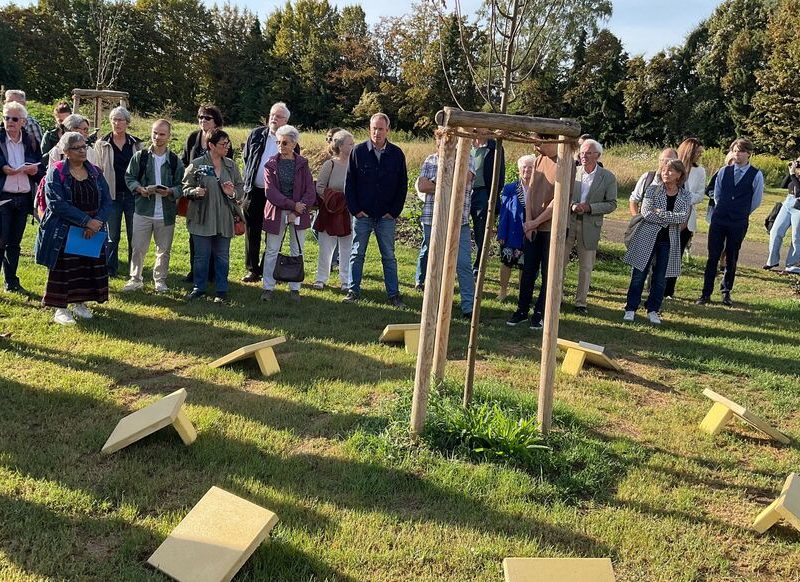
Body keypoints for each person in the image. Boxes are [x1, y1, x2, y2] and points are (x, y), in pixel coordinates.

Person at [34, 132, 111, 324]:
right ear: (66, 151)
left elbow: (107, 201)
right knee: (64, 269)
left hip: (92, 230)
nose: (83, 150)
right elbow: (56, 203)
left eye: (84, 146)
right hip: (64, 230)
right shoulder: (57, 171)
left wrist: (96, 223)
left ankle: (80, 303)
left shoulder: (95, 172)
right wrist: (86, 221)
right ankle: (61, 308)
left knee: (85, 267)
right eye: (77, 148)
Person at [344, 113, 408, 307]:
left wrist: (394, 211)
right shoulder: (358, 151)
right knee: (357, 253)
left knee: (388, 256)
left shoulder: (396, 154)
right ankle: (353, 291)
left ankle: (394, 295)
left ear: (388, 130)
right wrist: (355, 210)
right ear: (369, 129)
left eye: (380, 129)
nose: (377, 132)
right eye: (373, 128)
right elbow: (350, 184)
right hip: (363, 214)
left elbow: (402, 186)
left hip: (386, 216)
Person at [697, 138, 764, 306]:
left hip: (738, 220)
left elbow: (756, 199)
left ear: (749, 154)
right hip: (720, 218)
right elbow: (717, 194)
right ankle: (706, 293)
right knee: (713, 256)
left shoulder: (756, 174)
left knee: (732, 256)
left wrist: (742, 212)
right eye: (734, 151)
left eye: (741, 151)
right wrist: (723, 208)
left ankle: (726, 291)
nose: (737, 154)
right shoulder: (724, 171)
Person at [414, 136, 476, 318]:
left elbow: (462, 180)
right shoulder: (430, 159)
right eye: (443, 141)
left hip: (458, 221)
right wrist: (447, 182)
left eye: (451, 141)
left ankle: (468, 307)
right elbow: (422, 185)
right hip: (432, 219)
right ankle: (436, 304)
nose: (446, 144)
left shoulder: (467, 159)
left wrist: (436, 183)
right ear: (438, 142)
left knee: (463, 264)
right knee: (436, 263)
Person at [623, 159, 691, 324]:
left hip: (668, 240)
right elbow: (646, 213)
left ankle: (653, 309)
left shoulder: (685, 194)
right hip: (647, 237)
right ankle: (631, 308)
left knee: (661, 277)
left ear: (679, 175)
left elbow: (683, 217)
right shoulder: (653, 190)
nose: (665, 173)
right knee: (639, 274)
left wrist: (661, 213)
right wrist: (669, 218)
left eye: (670, 171)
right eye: (664, 170)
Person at [122, 120, 185, 293]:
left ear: (169, 136)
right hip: (143, 209)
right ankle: (135, 279)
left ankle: (160, 281)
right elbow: (129, 177)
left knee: (163, 250)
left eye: (162, 134)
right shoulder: (140, 156)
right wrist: (139, 188)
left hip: (165, 212)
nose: (157, 137)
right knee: (138, 248)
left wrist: (170, 191)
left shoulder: (174, 161)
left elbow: (182, 186)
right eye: (155, 133)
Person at [183, 129, 244, 303]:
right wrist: (195, 191)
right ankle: (199, 288)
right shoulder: (197, 164)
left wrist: (232, 193)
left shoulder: (231, 165)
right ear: (211, 145)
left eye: (228, 143)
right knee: (201, 256)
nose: (227, 147)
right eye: (223, 144)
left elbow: (240, 189)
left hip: (224, 217)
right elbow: (185, 188)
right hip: (202, 216)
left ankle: (222, 289)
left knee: (222, 255)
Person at [506, 134, 559, 330]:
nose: (536, 148)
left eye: (539, 143)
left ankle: (540, 312)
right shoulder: (538, 160)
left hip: (551, 229)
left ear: (552, 140)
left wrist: (537, 221)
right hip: (533, 227)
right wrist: (529, 222)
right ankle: (522, 309)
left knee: (548, 273)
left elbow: (558, 202)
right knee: (528, 270)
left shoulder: (565, 163)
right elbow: (530, 193)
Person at [241, 102, 295, 283]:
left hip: (277, 195)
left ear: (286, 121)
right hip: (254, 191)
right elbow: (247, 157)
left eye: (278, 116)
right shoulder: (257, 134)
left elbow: (293, 167)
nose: (273, 118)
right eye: (272, 114)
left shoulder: (291, 140)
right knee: (252, 230)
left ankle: (268, 268)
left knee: (273, 233)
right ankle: (252, 270)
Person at [260, 125, 315, 302]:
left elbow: (310, 191)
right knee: (271, 250)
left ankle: (295, 288)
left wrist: (297, 210)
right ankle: (268, 287)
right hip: (277, 212)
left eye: (284, 142)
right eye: (278, 142)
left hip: (298, 212)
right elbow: (271, 192)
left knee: (297, 249)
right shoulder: (270, 164)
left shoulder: (303, 163)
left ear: (293, 144)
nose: (281, 146)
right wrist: (293, 206)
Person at [563, 138, 618, 315]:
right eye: (581, 152)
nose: (583, 156)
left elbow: (612, 204)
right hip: (569, 222)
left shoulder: (607, 177)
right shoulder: (573, 171)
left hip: (590, 225)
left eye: (588, 153)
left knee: (586, 266)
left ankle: (581, 303)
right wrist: (572, 205)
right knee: (560, 262)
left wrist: (590, 208)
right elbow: (563, 193)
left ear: (598, 155)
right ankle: (556, 297)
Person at [0, 101, 44, 294]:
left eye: (14, 118)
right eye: (6, 117)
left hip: (23, 198)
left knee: (14, 244)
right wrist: (2, 168)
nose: (9, 122)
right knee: (0, 242)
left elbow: (41, 168)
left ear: (23, 121)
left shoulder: (31, 140)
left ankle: (12, 282)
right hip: (3, 198)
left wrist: (34, 170)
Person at [94, 106, 143, 277]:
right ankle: (110, 268)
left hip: (132, 196)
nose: (117, 123)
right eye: (114, 119)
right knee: (112, 236)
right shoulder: (101, 144)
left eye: (120, 119)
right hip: (111, 196)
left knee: (134, 235)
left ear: (127, 122)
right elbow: (97, 170)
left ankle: (134, 269)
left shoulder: (136, 144)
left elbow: (142, 170)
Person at [312, 129, 354, 291]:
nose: (353, 146)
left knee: (346, 247)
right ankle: (321, 279)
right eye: (350, 144)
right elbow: (320, 187)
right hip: (329, 211)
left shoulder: (354, 165)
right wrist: (333, 199)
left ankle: (345, 281)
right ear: (341, 146)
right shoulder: (329, 164)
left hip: (348, 212)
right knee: (326, 246)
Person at [664, 137, 706, 298]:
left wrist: (683, 196)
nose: (699, 156)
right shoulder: (671, 166)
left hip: (686, 219)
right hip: (666, 214)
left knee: (676, 255)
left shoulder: (700, 171)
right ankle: (654, 286)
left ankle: (669, 290)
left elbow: (700, 195)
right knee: (661, 253)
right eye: (698, 153)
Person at [496, 155, 534, 302]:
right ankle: (503, 291)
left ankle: (522, 294)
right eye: (524, 166)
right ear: (519, 169)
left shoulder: (538, 188)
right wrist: (501, 233)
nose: (527, 170)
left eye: (530, 167)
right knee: (506, 263)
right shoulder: (510, 188)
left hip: (530, 233)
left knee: (525, 266)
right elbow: (504, 212)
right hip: (512, 232)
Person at [470, 136, 505, 275]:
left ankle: (478, 265)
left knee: (481, 230)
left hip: (483, 192)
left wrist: (493, 197)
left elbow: (500, 175)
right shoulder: (466, 143)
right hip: (465, 191)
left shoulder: (494, 147)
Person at [764, 158, 800, 272]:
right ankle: (772, 261)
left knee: (796, 237)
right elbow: (784, 185)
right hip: (788, 202)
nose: (797, 163)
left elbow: (799, 191)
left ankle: (792, 265)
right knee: (775, 231)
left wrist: (793, 174)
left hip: (799, 207)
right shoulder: (796, 174)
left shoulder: (795, 176)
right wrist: (790, 171)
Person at [629, 148, 678, 215]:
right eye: (663, 160)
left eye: (670, 160)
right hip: (646, 223)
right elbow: (633, 201)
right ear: (659, 161)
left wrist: (682, 225)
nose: (666, 163)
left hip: (672, 224)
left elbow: (688, 205)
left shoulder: (682, 182)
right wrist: (637, 221)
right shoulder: (647, 178)